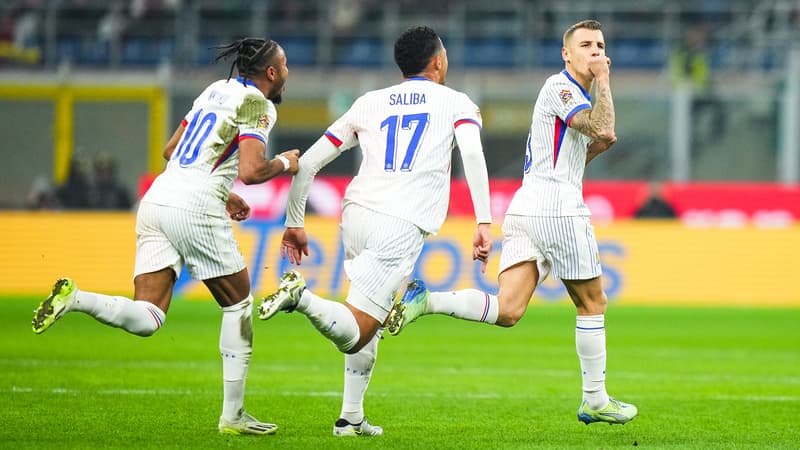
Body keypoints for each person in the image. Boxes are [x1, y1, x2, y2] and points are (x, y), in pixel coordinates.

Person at [31, 37, 300, 436]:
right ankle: (233, 416)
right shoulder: (258, 105)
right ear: (272, 73)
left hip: (156, 199)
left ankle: (77, 299)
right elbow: (252, 170)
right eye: (285, 67)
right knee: (239, 303)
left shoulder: (214, 90)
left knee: (149, 316)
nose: (288, 74)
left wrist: (224, 194)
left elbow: (171, 150)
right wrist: (286, 162)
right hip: (194, 207)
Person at [386, 19, 638, 426]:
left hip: (527, 205)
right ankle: (595, 398)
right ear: (566, 54)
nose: (595, 51)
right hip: (557, 208)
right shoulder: (561, 87)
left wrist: (593, 150)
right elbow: (603, 126)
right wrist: (605, 80)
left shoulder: (568, 95)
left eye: (601, 45)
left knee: (508, 310)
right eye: (586, 45)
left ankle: (426, 300)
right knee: (593, 302)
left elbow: (574, 151)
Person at [257, 26, 493, 436]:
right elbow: (471, 151)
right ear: (438, 61)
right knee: (358, 329)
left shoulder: (369, 102)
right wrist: (484, 220)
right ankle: (302, 297)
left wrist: (294, 221)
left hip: (357, 215)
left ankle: (350, 417)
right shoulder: (457, 102)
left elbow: (308, 163)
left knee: (372, 317)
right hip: (400, 223)